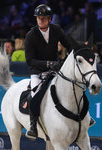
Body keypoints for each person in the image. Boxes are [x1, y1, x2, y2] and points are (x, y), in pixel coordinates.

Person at [24, 4, 73, 140]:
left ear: (49, 19)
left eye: (44, 18)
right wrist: (47, 63)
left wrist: (75, 52)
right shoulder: (30, 35)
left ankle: (84, 116)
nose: (40, 20)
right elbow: (30, 60)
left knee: (73, 86)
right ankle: (33, 126)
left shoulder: (56, 30)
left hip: (55, 69)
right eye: (39, 18)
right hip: (38, 71)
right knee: (35, 94)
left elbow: (68, 45)